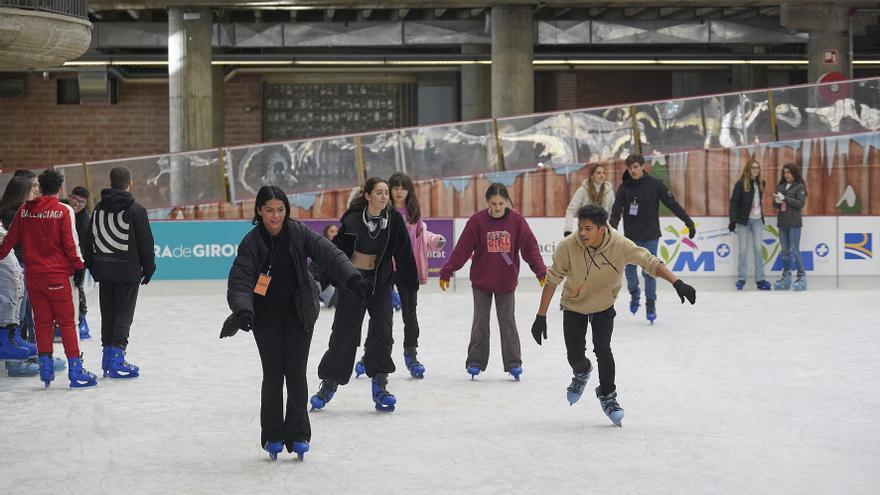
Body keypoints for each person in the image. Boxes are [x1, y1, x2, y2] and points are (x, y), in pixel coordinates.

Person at [224, 185, 361, 460]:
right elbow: (240, 280)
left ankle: (298, 434)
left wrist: (351, 276)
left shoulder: (298, 232)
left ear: (286, 210)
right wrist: (243, 309)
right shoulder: (251, 243)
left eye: (280, 210)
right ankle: (273, 435)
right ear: (259, 212)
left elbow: (328, 253)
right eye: (269, 210)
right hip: (265, 318)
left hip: (300, 313)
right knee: (273, 375)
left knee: (296, 374)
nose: (275, 216)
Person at [530, 204, 697, 426]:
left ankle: (609, 397)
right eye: (580, 227)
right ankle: (582, 372)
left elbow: (649, 261)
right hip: (574, 306)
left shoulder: (619, 245)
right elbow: (552, 279)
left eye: (588, 228)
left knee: (603, 349)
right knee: (575, 356)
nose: (582, 233)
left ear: (602, 229)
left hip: (604, 305)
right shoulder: (567, 246)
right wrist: (540, 316)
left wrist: (677, 282)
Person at [310, 177, 418, 413]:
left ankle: (380, 385)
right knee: (343, 334)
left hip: (380, 284)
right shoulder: (352, 219)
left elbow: (404, 255)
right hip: (353, 283)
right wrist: (321, 281)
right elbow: (336, 252)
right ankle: (329, 384)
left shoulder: (394, 221)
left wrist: (408, 286)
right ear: (367, 196)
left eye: (386, 193)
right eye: (379, 193)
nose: (384, 197)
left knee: (383, 332)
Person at [438, 182, 546, 381]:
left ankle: (513, 362)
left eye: (501, 203)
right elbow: (462, 250)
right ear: (488, 202)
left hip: (506, 282)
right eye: (494, 204)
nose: (497, 208)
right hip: (482, 281)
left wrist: (540, 272)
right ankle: (475, 362)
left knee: (507, 322)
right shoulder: (477, 222)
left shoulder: (517, 221)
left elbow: (530, 248)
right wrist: (447, 271)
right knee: (480, 322)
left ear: (507, 202)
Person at [0, 169, 96, 388]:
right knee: (67, 323)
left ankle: (46, 370)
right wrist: (79, 267)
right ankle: (75, 370)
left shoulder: (24, 211)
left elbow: (9, 241)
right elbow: (70, 243)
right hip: (58, 277)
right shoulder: (63, 210)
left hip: (33, 278)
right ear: (60, 189)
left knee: (41, 323)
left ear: (40, 187)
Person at [354, 172, 446, 380]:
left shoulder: (414, 212)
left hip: (406, 269)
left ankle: (411, 354)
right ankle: (370, 354)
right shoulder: (382, 211)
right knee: (380, 316)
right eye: (395, 187)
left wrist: (435, 240)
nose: (398, 192)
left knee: (409, 314)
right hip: (383, 269)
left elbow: (422, 234)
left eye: (402, 188)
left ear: (408, 191)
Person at [82, 167, 155, 379]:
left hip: (104, 271)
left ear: (111, 182)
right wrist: (149, 268)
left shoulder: (97, 209)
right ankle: (116, 360)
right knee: (123, 315)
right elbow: (145, 243)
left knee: (109, 315)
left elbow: (89, 241)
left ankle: (107, 359)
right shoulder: (136, 210)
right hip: (127, 272)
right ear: (129, 183)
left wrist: (94, 268)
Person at [609, 153, 695, 323]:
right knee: (630, 271)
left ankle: (650, 303)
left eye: (635, 167)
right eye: (629, 168)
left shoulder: (655, 185)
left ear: (642, 166)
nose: (632, 171)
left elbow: (672, 204)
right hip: (631, 239)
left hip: (650, 236)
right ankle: (634, 294)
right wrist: (611, 231)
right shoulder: (624, 187)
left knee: (651, 271)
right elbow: (616, 211)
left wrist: (688, 221)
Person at [728, 160, 771, 291]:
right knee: (743, 250)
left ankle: (760, 279)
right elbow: (734, 202)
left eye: (757, 168)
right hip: (743, 221)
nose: (756, 170)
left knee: (758, 249)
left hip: (757, 220)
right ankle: (741, 278)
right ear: (748, 169)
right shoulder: (740, 184)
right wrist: (733, 220)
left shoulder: (760, 183)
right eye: (753, 168)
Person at [773, 163, 808, 291]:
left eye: (788, 172)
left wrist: (785, 199)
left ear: (794, 173)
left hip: (794, 223)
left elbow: (800, 204)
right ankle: (786, 277)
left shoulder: (800, 187)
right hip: (782, 222)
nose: (786, 175)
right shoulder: (781, 186)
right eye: (784, 172)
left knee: (794, 250)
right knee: (785, 251)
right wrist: (776, 201)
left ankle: (802, 277)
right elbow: (775, 204)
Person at [564, 163, 615, 237]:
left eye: (604, 173)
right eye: (598, 173)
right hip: (586, 231)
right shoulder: (583, 190)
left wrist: (611, 230)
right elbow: (571, 210)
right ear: (592, 176)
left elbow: (611, 213)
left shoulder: (609, 191)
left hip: (602, 232)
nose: (602, 175)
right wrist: (568, 230)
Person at [308, 223, 339, 308]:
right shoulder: (322, 246)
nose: (335, 234)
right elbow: (315, 269)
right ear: (326, 233)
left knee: (337, 304)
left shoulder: (338, 248)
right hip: (316, 280)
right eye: (332, 231)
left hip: (328, 282)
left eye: (336, 231)